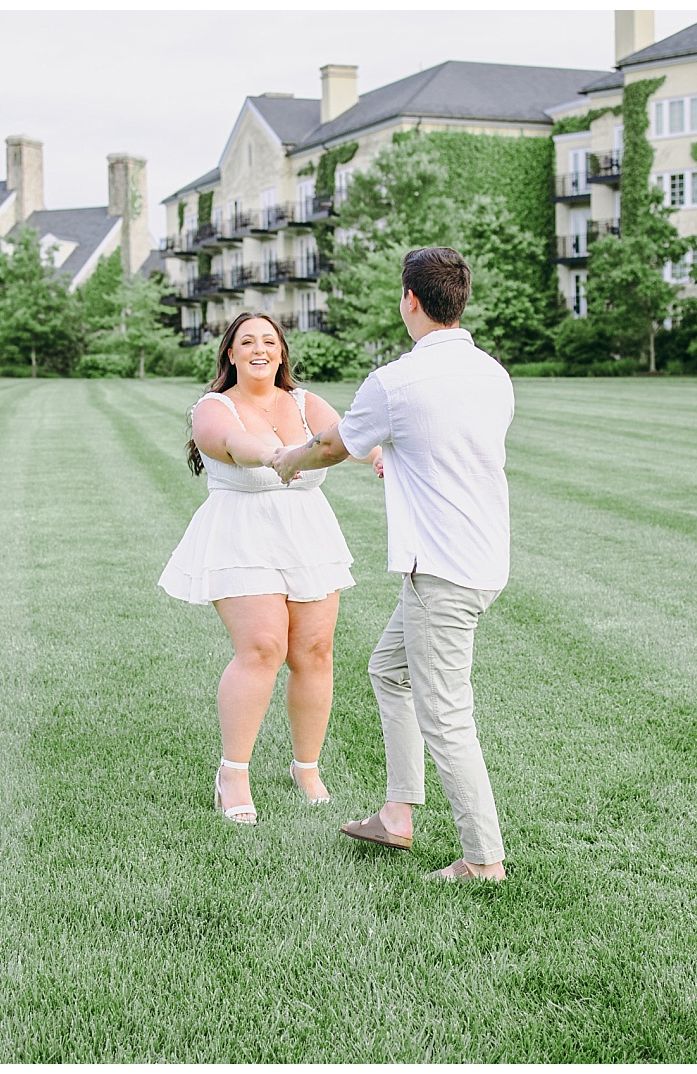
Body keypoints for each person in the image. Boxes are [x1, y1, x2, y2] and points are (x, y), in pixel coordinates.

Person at [273, 247, 514, 882]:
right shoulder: (493, 374)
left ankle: (483, 859)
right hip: (480, 559)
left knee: (446, 712)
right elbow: (438, 445)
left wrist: (290, 460)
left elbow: (331, 445)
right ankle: (397, 814)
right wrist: (392, 456)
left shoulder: (396, 381)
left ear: (410, 299)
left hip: (441, 569)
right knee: (389, 671)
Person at [160, 312, 383, 825]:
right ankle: (232, 774)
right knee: (262, 647)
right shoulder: (213, 407)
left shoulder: (305, 403)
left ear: (281, 353)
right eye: (246, 341)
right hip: (241, 534)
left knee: (314, 652)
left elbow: (347, 436)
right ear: (230, 354)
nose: (259, 348)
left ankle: (306, 768)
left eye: (269, 341)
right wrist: (281, 454)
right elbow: (238, 447)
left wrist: (376, 455)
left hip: (308, 534)